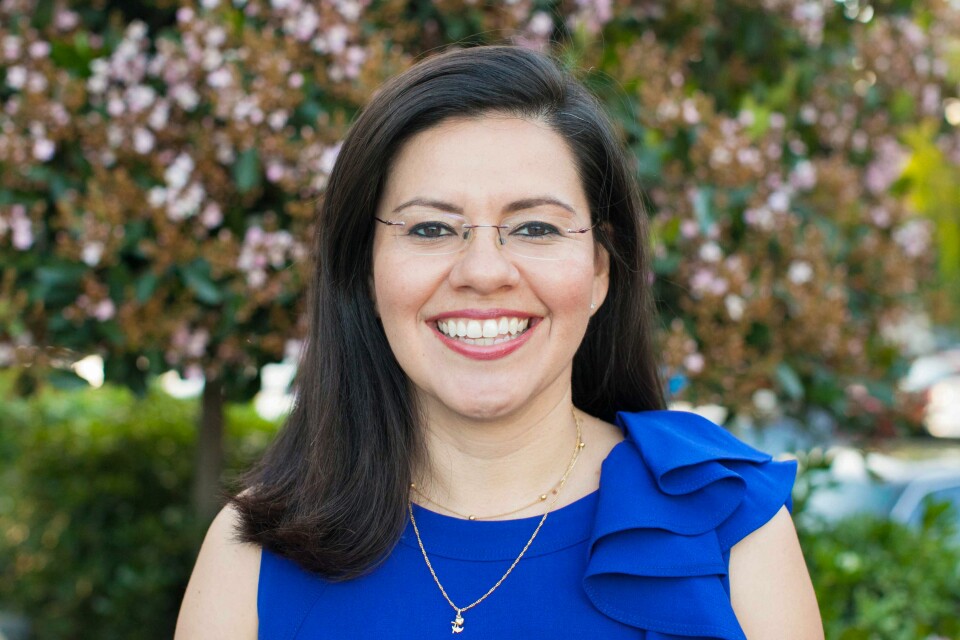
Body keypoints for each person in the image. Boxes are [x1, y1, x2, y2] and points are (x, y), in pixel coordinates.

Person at [175, 45, 823, 639]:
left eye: (536, 226)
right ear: (364, 269)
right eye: (430, 229)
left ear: (600, 269)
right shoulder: (251, 557)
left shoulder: (726, 523)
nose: (484, 271)